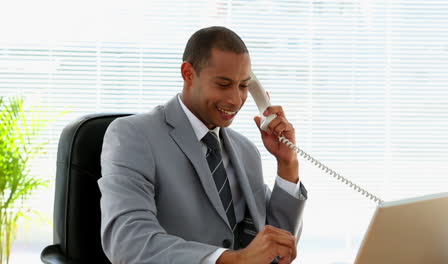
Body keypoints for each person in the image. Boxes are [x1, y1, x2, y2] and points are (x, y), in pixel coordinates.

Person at [98, 26, 307, 264]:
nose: (236, 100)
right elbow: (128, 242)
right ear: (188, 73)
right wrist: (233, 260)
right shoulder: (133, 135)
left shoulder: (246, 150)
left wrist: (288, 163)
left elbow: (276, 248)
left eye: (243, 85)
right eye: (223, 84)